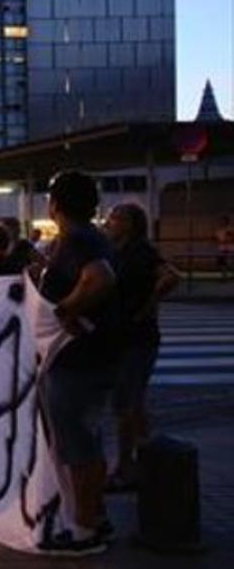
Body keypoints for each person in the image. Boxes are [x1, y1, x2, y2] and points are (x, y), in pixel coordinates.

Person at [36, 171, 119, 555]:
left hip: (75, 362)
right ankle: (95, 515)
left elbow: (99, 278)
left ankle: (84, 528)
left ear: (55, 206)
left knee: (77, 447)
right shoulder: (92, 237)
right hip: (90, 358)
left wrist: (65, 309)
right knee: (88, 440)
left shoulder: (76, 240)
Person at [104, 203, 179, 491]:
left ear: (133, 224)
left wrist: (147, 307)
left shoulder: (142, 252)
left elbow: (171, 276)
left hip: (138, 338)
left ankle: (126, 467)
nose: (110, 222)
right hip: (123, 336)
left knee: (126, 403)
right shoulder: (115, 252)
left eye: (117, 218)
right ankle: (145, 462)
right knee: (132, 404)